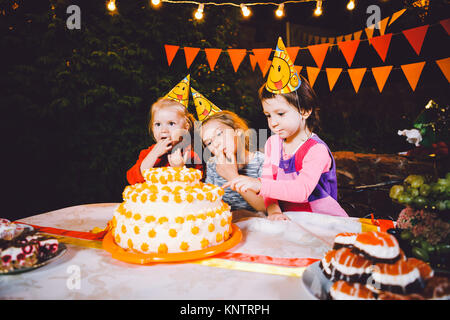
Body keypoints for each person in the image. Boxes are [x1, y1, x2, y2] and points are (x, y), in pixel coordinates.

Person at [223, 37, 347, 220]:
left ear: (304, 111)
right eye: (268, 115)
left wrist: (258, 184)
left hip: (323, 222)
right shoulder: (273, 144)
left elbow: (301, 191)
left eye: (280, 114)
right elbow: (269, 182)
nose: (273, 122)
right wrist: (274, 211)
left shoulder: (316, 151)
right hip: (291, 220)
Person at [192, 88, 265, 213]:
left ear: (237, 131)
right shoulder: (213, 164)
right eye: (209, 142)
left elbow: (265, 207)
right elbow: (211, 200)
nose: (216, 143)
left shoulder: (261, 162)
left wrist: (232, 176)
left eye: (219, 133)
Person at [127, 77, 202, 185]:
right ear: (152, 128)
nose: (163, 130)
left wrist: (180, 168)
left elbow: (197, 187)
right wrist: (153, 155)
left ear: (185, 128)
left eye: (171, 123)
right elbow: (133, 180)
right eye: (158, 124)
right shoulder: (148, 153)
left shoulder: (191, 155)